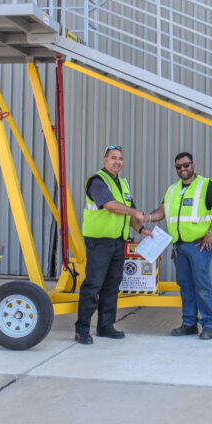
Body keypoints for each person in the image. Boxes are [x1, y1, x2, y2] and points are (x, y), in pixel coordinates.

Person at [146, 152, 212, 340]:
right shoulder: (172, 190)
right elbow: (161, 212)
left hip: (199, 246)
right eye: (178, 167)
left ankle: (208, 324)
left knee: (202, 285)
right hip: (179, 248)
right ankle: (189, 323)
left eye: (186, 165)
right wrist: (147, 217)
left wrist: (210, 232)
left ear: (193, 165)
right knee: (185, 286)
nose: (182, 169)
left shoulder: (206, 184)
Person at [75, 145, 148, 344]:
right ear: (105, 160)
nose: (118, 161)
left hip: (118, 242)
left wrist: (142, 230)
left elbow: (128, 211)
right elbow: (110, 205)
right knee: (93, 285)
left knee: (111, 286)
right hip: (99, 242)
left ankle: (105, 326)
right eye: (114, 158)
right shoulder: (97, 181)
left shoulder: (122, 183)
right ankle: (82, 329)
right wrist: (135, 213)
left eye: (121, 158)